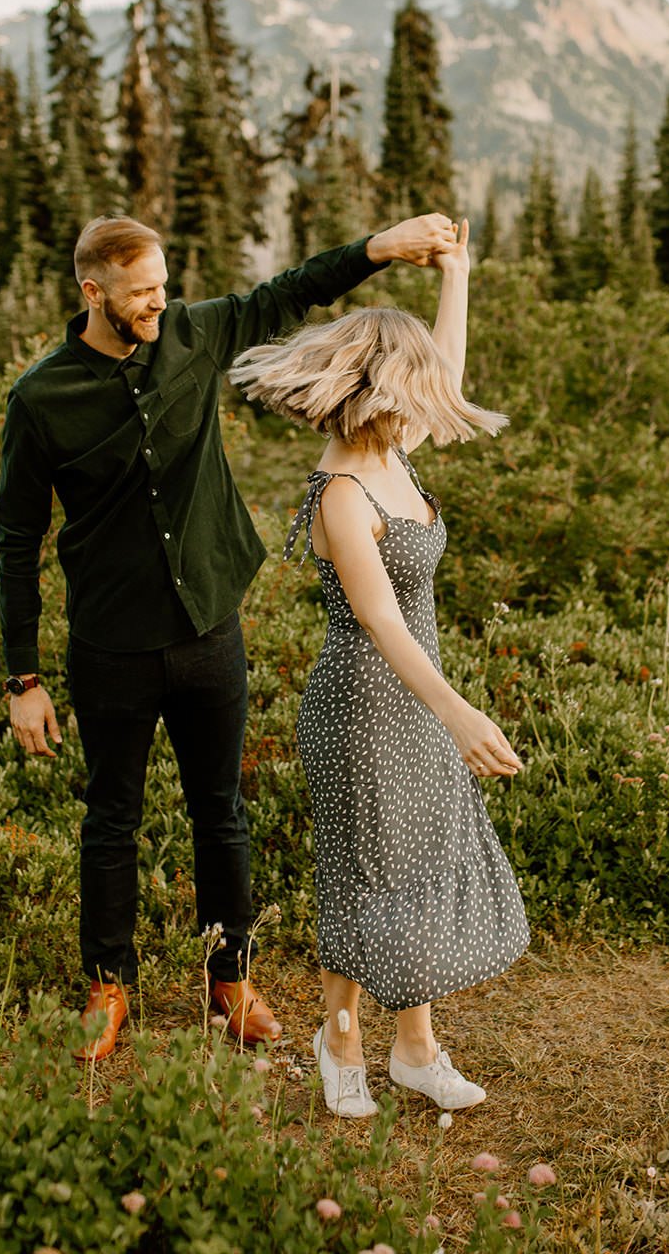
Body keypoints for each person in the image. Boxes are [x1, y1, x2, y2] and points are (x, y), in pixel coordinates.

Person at [0, 209, 461, 1062]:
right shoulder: (41, 397)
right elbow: (15, 540)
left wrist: (379, 249)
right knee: (111, 819)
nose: (158, 304)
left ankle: (231, 980)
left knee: (222, 812)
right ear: (93, 292)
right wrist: (21, 680)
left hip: (210, 625)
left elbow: (287, 293)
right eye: (140, 294)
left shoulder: (191, 335)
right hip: (111, 643)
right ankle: (109, 988)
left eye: (164, 287)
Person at [228, 218, 529, 1116]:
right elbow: (380, 619)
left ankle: (416, 1049)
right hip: (363, 705)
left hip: (417, 700)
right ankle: (341, 1043)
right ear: (378, 391)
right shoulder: (345, 492)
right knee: (369, 874)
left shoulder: (393, 455)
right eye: (415, 385)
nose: (430, 398)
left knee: (420, 868)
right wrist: (459, 713)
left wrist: (458, 275)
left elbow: (452, 371)